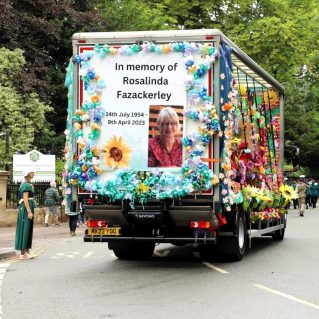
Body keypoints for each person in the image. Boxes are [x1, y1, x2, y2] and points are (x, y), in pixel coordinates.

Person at [15, 170, 36, 260]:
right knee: (25, 228)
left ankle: (26, 251)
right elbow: (25, 199)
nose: (33, 173)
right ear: (27, 175)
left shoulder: (28, 183)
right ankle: (23, 252)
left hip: (28, 207)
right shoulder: (26, 185)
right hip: (25, 208)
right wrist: (29, 211)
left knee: (28, 228)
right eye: (31, 172)